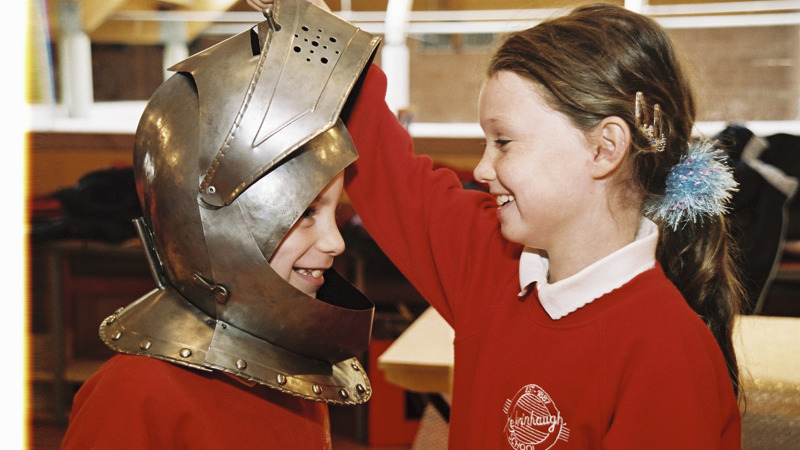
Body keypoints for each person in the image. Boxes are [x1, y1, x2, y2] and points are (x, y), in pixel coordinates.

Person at [249, 0, 744, 448]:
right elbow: (389, 172)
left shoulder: (668, 355)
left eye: (503, 142)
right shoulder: (491, 256)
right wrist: (310, 29)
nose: (482, 170)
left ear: (603, 149)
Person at [61, 2, 379, 448]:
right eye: (305, 213)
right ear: (219, 219)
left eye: (332, 213)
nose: (335, 242)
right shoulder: (135, 394)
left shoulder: (293, 365)